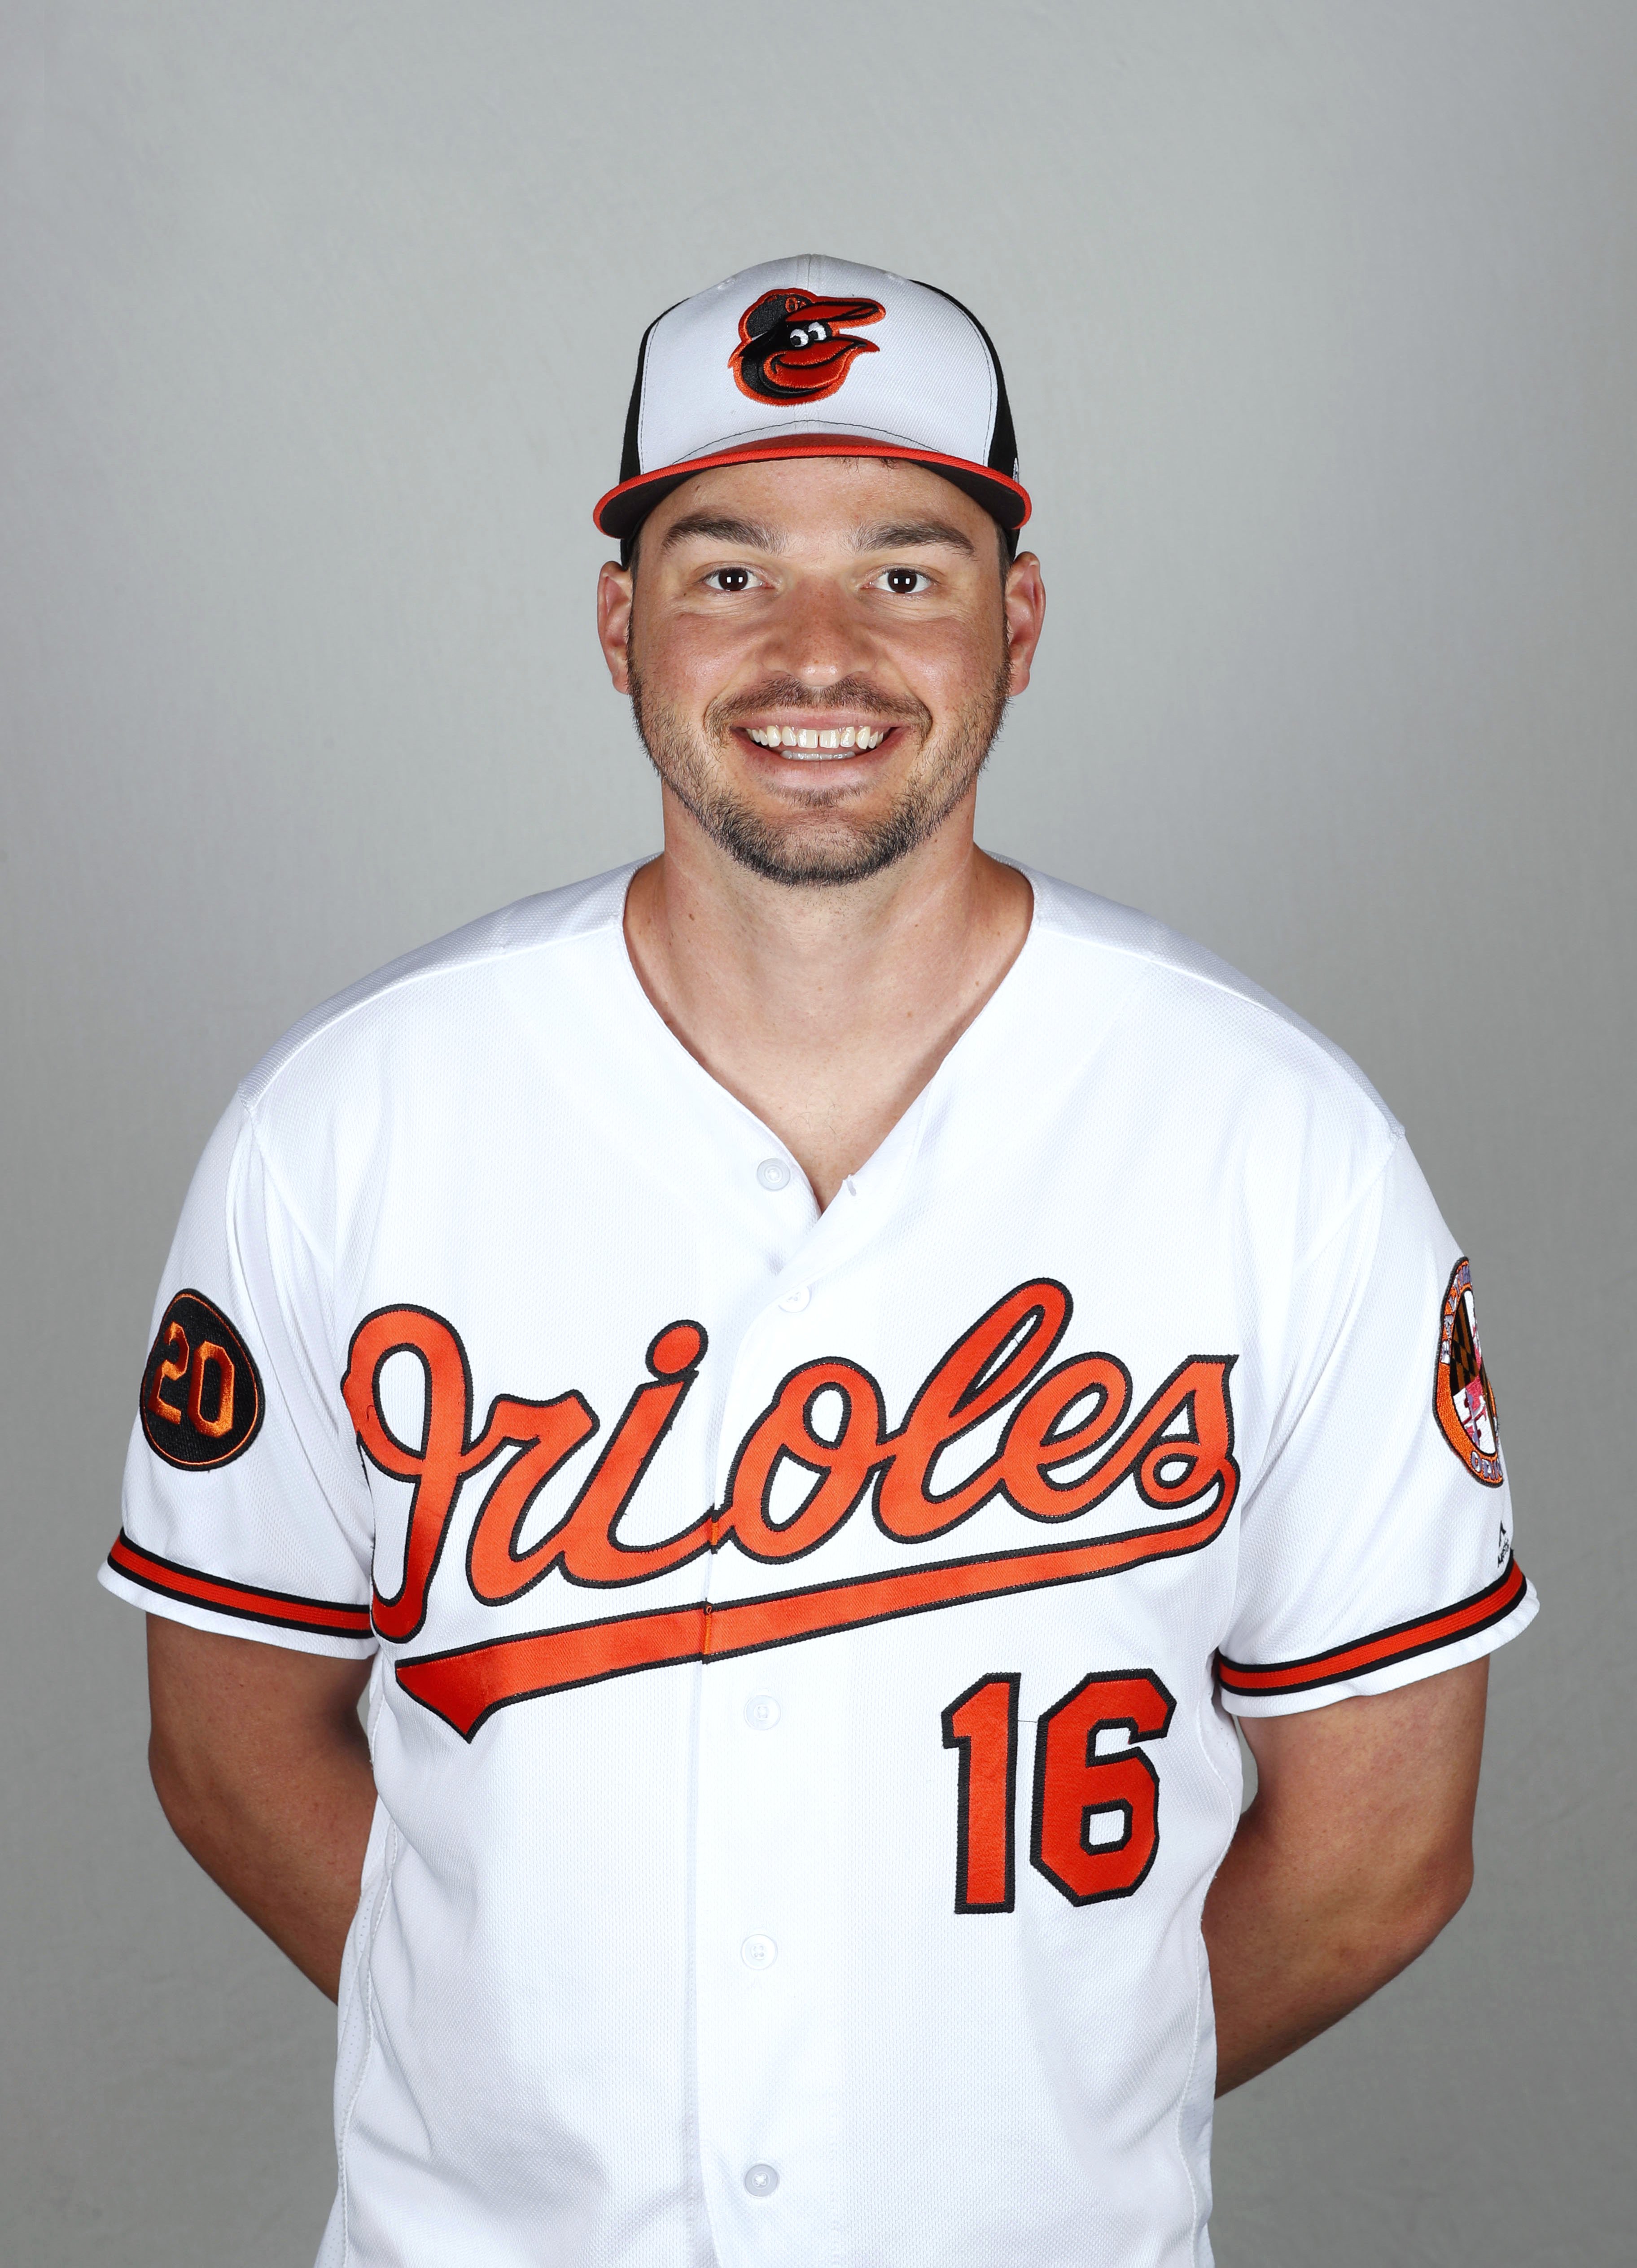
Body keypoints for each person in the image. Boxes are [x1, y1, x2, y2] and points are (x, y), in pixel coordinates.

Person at [102, 255, 1536, 2268]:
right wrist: (524, 2058)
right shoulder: (347, 1124)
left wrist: (1018, 2102)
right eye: (724, 570)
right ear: (620, 622)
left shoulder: (1281, 1146)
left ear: (1017, 621)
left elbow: (1379, 1855)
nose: (817, 651)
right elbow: (226, 1744)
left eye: (906, 569)